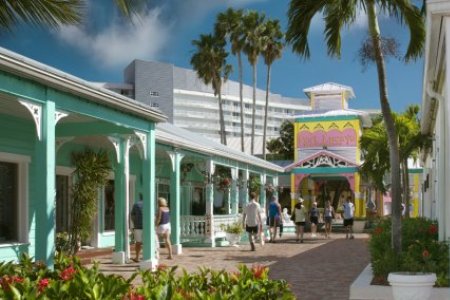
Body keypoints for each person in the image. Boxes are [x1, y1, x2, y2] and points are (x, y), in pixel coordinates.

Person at [130, 193, 144, 263]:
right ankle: (147, 256)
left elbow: (132, 215)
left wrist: (134, 222)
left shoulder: (136, 204)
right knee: (148, 242)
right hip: (147, 227)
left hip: (138, 226)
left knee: (138, 243)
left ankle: (137, 257)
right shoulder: (150, 203)